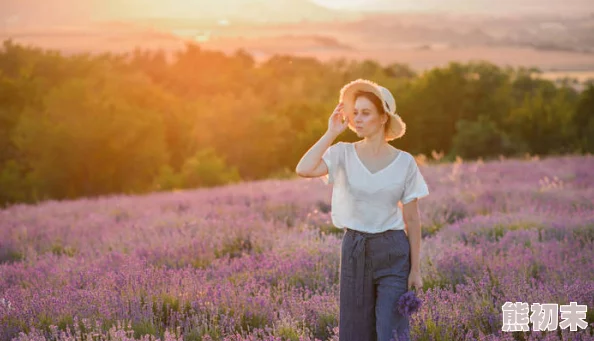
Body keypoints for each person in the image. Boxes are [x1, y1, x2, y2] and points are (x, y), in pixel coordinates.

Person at [295, 79, 430, 341]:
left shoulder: (405, 163)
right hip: (355, 249)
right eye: (354, 112)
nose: (357, 119)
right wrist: (331, 132)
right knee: (355, 332)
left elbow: (412, 220)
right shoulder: (342, 154)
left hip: (393, 252)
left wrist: (416, 269)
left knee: (391, 331)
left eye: (365, 113)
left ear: (383, 118)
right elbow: (304, 169)